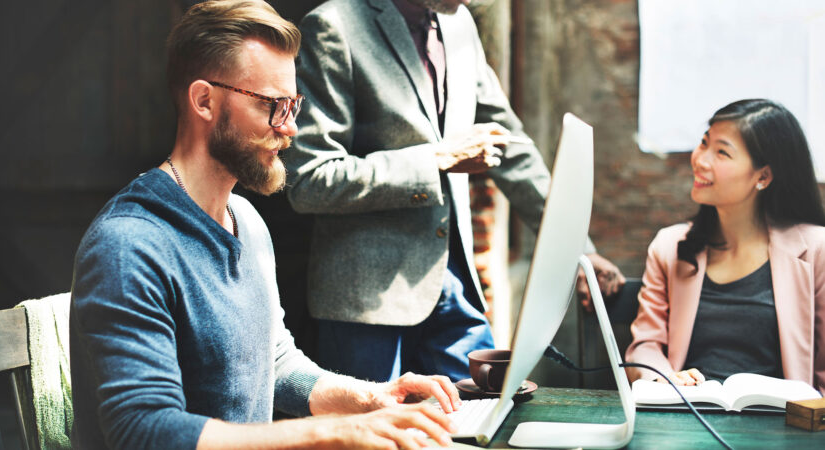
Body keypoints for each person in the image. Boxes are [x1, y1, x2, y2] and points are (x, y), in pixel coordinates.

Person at [69, 2, 462, 449]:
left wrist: (371, 398)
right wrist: (336, 432)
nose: (291, 128)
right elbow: (143, 431)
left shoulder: (247, 221)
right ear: (204, 100)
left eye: (293, 105)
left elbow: (275, 363)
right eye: (273, 106)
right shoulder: (128, 245)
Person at [284, 0, 625, 383]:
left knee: (485, 425)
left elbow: (511, 148)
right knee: (377, 438)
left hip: (456, 289)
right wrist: (436, 160)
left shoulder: (460, 24)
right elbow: (310, 181)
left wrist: (578, 248)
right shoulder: (333, 26)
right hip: (366, 308)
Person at [625, 99, 825, 395]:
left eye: (721, 152)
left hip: (782, 428)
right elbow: (645, 344)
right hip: (688, 418)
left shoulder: (816, 250)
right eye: (704, 143)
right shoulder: (670, 247)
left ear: (763, 176)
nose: (700, 160)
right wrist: (664, 380)